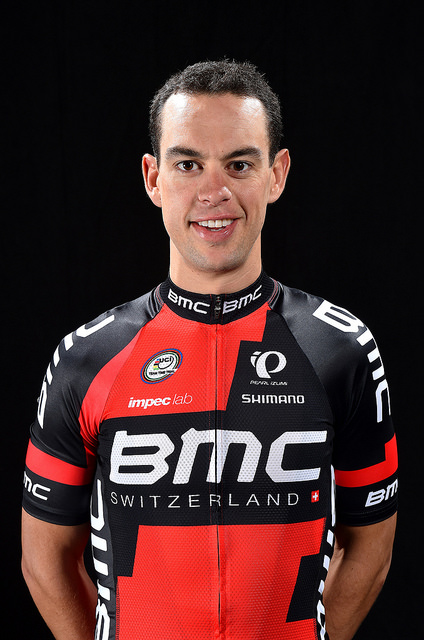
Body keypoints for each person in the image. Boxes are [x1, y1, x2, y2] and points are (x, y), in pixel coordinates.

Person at [21, 59, 398, 640]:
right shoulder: (86, 359)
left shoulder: (341, 348)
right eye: (188, 164)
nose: (214, 192)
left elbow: (370, 547)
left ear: (276, 175)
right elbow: (44, 559)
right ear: (153, 178)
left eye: (239, 165)